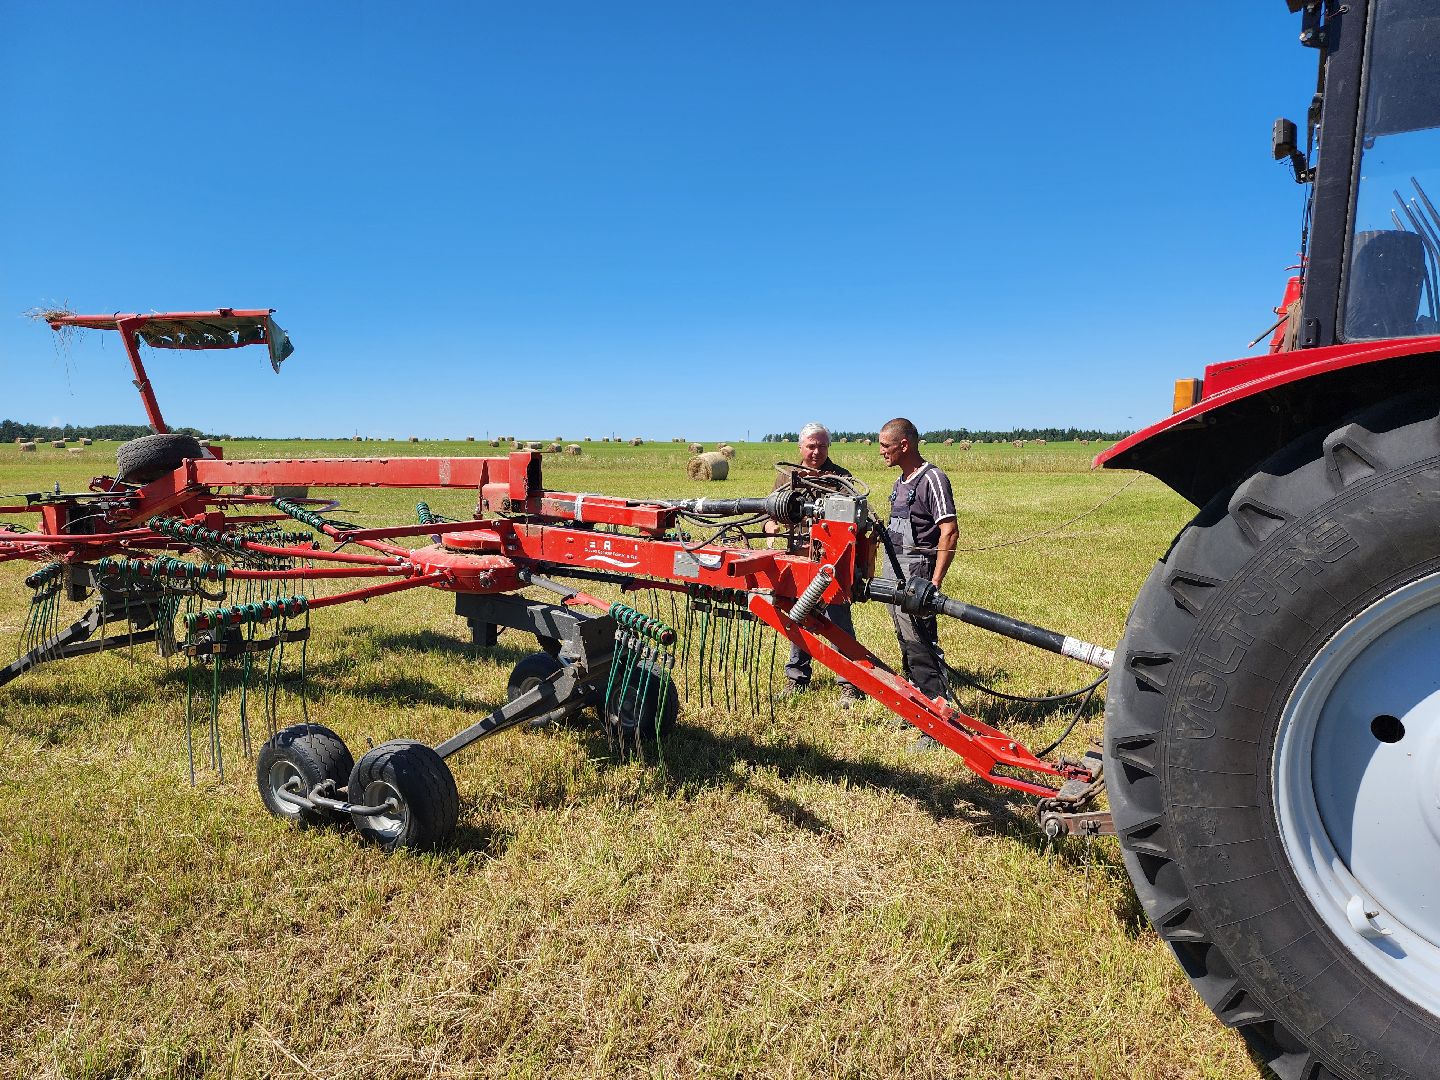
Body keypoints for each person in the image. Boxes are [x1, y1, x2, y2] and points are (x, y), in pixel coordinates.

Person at [769, 422, 865, 706]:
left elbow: (858, 519)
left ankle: (849, 683)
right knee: (798, 615)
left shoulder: (841, 479)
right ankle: (796, 678)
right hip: (798, 556)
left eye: (822, 446)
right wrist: (771, 527)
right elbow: (771, 513)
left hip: (831, 561)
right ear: (800, 447)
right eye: (811, 446)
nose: (816, 452)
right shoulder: (786, 476)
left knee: (838, 619)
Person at [877, 418, 958, 748]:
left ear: (904, 444)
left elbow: (949, 531)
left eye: (885, 445)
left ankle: (938, 724)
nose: (881, 451)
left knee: (922, 645)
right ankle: (918, 708)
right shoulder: (900, 482)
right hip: (894, 575)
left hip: (917, 576)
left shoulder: (932, 479)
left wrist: (934, 583)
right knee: (907, 645)